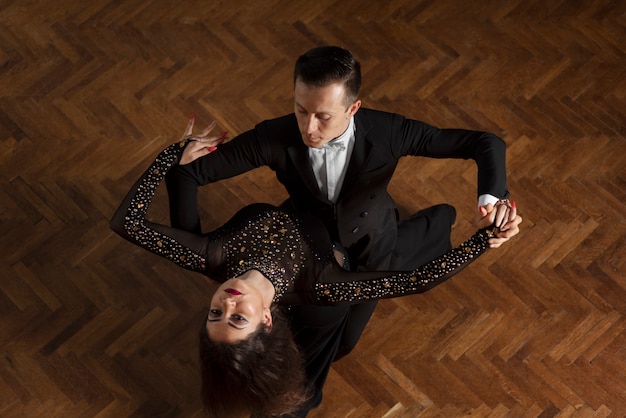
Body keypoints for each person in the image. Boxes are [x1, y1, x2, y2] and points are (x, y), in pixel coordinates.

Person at [164, 45, 522, 415]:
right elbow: (188, 175)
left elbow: (485, 143)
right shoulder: (274, 135)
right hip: (303, 249)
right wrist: (197, 251)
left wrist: (494, 201)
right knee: (326, 337)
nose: (308, 128)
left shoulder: (389, 132)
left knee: (347, 341)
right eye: (301, 110)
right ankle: (304, 398)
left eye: (322, 116)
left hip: (372, 240)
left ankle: (435, 223)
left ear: (353, 108)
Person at [110, 123, 516, 417]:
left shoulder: (211, 256)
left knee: (341, 336)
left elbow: (125, 223)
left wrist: (171, 156)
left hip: (330, 235)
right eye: (237, 319)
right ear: (266, 320)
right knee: (333, 352)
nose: (226, 303)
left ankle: (435, 223)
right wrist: (484, 240)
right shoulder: (321, 287)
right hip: (327, 304)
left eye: (215, 313)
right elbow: (414, 282)